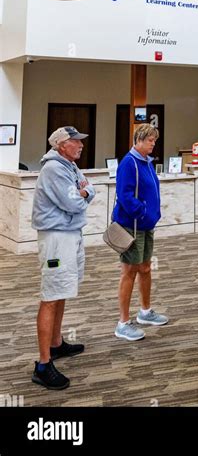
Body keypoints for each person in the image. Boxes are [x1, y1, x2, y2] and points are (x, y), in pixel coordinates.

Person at [31, 126, 95, 390]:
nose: (80, 145)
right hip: (57, 239)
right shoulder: (54, 169)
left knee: (62, 290)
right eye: (75, 141)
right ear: (60, 145)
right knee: (50, 295)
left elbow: (89, 190)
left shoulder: (69, 166)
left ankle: (56, 344)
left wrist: (84, 192)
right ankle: (43, 364)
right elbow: (75, 203)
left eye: (81, 141)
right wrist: (82, 194)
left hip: (70, 234)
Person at [113, 123, 168, 341]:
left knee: (145, 268)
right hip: (132, 226)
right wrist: (143, 211)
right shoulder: (129, 163)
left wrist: (153, 214)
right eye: (150, 140)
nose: (153, 144)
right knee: (129, 271)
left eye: (155, 140)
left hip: (146, 225)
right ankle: (123, 323)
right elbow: (124, 195)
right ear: (139, 140)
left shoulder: (146, 163)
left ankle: (145, 311)